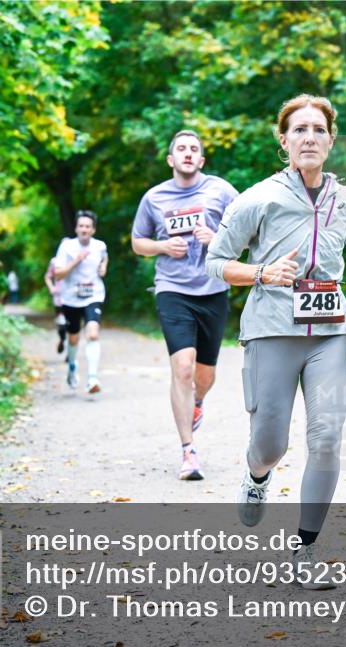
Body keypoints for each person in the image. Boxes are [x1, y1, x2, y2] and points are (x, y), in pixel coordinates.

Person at [206, 94, 346, 587]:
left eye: (318, 130)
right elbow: (216, 262)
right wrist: (261, 271)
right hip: (271, 331)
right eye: (299, 130)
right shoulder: (258, 196)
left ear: (331, 140)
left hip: (330, 334)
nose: (309, 137)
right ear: (284, 141)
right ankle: (256, 476)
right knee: (269, 444)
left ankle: (304, 550)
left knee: (326, 439)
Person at [131, 130, 239, 481]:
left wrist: (218, 238)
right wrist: (164, 247)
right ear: (171, 159)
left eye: (194, 149)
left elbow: (247, 229)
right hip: (173, 289)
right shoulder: (154, 197)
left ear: (202, 160)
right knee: (183, 368)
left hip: (213, 288)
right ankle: (188, 452)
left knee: (204, 377)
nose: (188, 153)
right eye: (181, 148)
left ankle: (197, 402)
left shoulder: (221, 191)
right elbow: (137, 242)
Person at [54, 211, 108, 394]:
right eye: (81, 226)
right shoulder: (66, 246)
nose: (84, 229)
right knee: (74, 338)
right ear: (76, 228)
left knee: (93, 334)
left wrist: (103, 267)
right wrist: (75, 262)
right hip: (70, 297)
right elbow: (58, 274)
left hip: (93, 295)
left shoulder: (100, 246)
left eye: (88, 226)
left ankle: (92, 379)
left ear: (93, 230)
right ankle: (71, 366)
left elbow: (104, 257)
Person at [43, 255, 68, 355]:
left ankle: (70, 353)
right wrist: (51, 288)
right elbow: (48, 277)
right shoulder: (54, 261)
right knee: (62, 325)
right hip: (59, 299)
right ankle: (62, 339)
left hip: (74, 300)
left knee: (73, 326)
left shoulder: (76, 259)